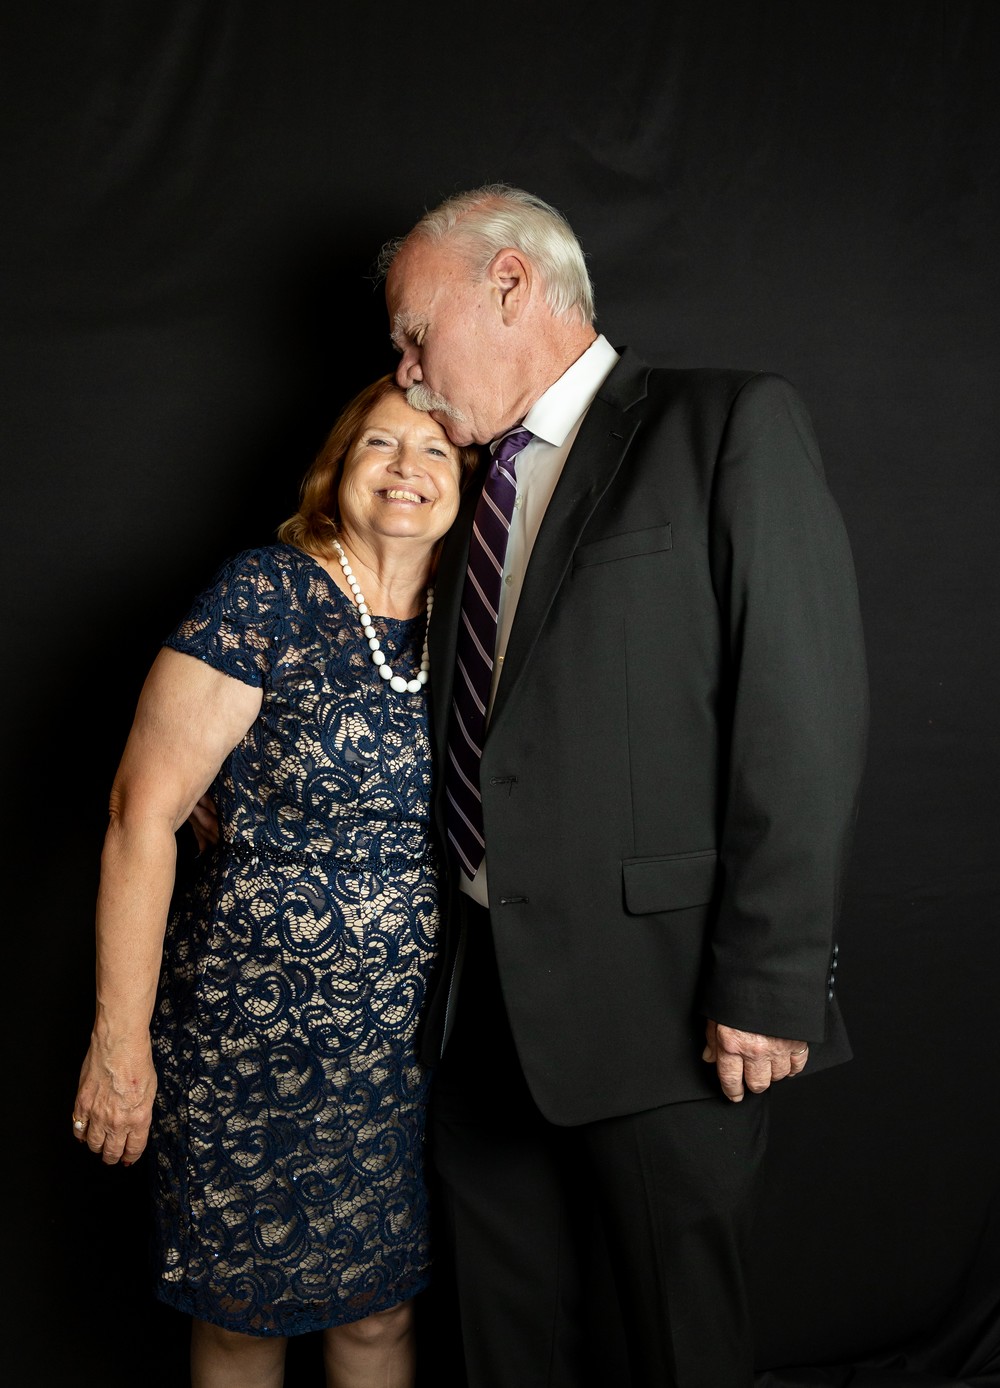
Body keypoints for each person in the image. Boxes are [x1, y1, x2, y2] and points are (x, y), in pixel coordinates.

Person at [377, 184, 870, 1388]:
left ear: (509, 286)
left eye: (414, 334)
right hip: (482, 1013)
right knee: (500, 1344)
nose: (404, 373)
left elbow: (800, 719)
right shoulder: (462, 487)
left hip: (667, 1007)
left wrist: (769, 980)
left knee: (679, 1346)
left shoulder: (724, 426)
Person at [71, 374, 477, 1388]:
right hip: (245, 1040)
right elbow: (140, 814)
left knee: (380, 1316)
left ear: (467, 483)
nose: (407, 469)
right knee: (244, 1323)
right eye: (379, 443)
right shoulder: (269, 594)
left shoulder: (473, 618)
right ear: (336, 468)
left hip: (399, 1051)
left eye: (435, 450)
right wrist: (118, 1044)